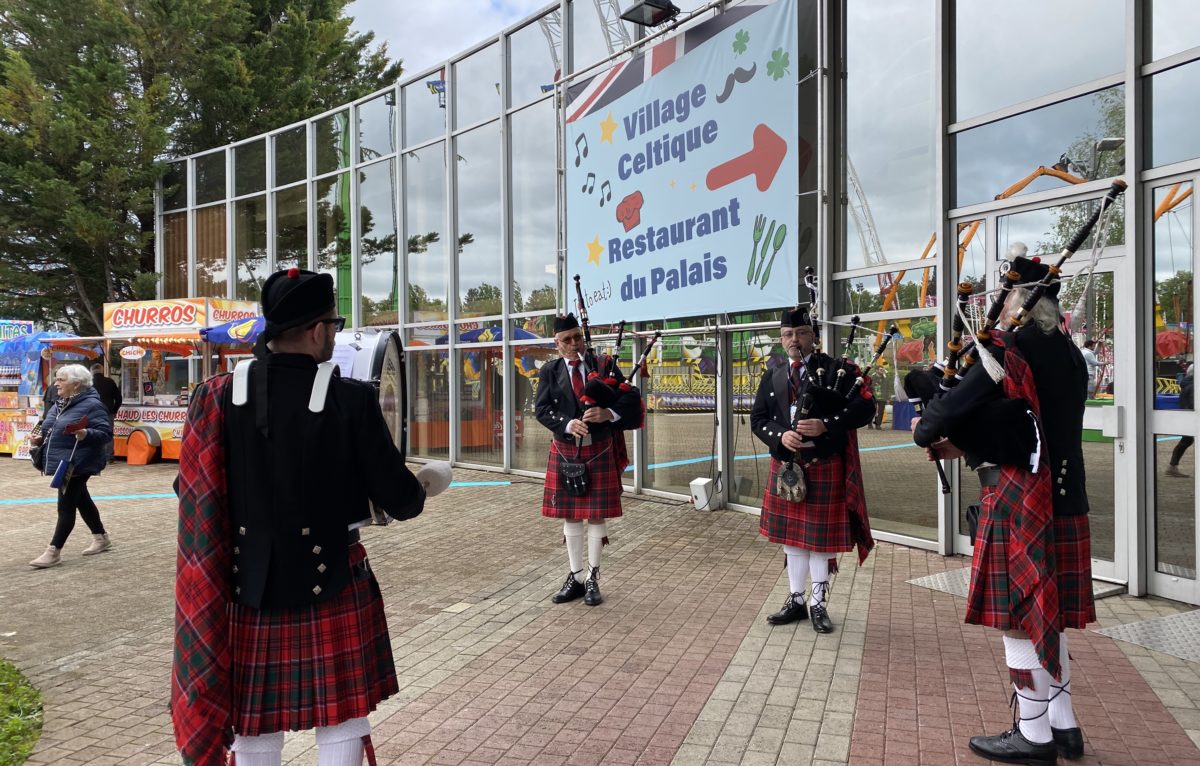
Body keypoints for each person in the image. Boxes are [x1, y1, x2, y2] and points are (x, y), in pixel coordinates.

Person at [171, 267, 452, 766]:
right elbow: (402, 501)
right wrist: (428, 482)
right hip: (334, 581)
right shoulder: (351, 400)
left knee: (254, 722)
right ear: (318, 329)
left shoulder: (213, 397)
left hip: (244, 587)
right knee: (341, 716)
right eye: (334, 325)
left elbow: (191, 492)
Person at [913, 255, 1092, 765]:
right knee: (1047, 616)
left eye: (1008, 295)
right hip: (1066, 497)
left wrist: (929, 429)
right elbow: (1024, 421)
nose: (1005, 304)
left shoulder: (1011, 349)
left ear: (1020, 300)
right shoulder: (1071, 354)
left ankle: (1033, 736)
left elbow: (948, 410)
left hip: (1019, 499)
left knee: (1018, 618)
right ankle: (1064, 726)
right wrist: (966, 444)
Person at [751, 307, 875, 634]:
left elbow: (865, 407)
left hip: (823, 464)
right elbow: (758, 419)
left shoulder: (834, 369)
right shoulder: (774, 374)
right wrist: (781, 436)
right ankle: (796, 600)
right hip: (787, 465)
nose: (795, 340)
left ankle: (818, 604)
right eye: (788, 335)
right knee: (793, 541)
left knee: (820, 542)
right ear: (781, 339)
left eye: (801, 333)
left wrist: (826, 425)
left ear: (812, 336)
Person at [536, 313, 642, 607]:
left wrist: (609, 414)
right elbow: (541, 409)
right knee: (571, 515)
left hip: (599, 447)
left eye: (577, 338)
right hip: (566, 449)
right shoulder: (550, 371)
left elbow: (631, 399)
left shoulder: (603, 365)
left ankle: (594, 577)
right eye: (567, 340)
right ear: (557, 344)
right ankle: (575, 576)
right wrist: (567, 424)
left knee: (596, 515)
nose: (574, 344)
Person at [28, 364, 115, 568]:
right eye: (57, 378)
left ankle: (53, 551)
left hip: (78, 461)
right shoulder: (61, 403)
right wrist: (40, 439)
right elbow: (50, 429)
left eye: (61, 379)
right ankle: (101, 537)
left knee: (65, 506)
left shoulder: (92, 405)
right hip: (63, 459)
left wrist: (86, 434)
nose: (56, 383)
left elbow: (105, 433)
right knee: (81, 499)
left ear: (76, 384)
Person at [1167, 363, 1194, 477]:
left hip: (1186, 416)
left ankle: (1172, 467)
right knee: (1186, 441)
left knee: (1186, 441)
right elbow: (1194, 403)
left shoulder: (1186, 385)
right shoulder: (1193, 386)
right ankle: (1172, 467)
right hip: (1192, 417)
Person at [91, 363, 122, 463]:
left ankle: (95, 457)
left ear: (91, 372)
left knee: (92, 433)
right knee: (108, 434)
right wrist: (114, 410)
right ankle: (109, 457)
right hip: (107, 412)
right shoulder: (110, 382)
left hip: (92, 412)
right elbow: (119, 398)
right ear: (102, 371)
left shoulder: (88, 384)